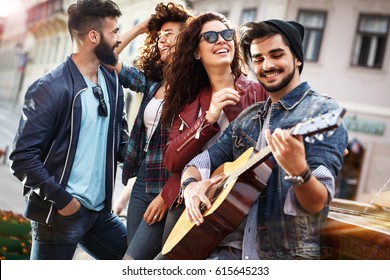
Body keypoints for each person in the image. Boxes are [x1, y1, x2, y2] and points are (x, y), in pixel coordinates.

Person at [179, 19, 348, 259]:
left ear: (297, 58)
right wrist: (191, 187)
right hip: (221, 251)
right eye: (258, 59)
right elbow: (200, 162)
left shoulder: (322, 112)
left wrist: (300, 170)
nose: (266, 65)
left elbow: (316, 202)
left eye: (276, 55)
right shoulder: (249, 116)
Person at [8, 0, 128, 260]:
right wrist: (65, 202)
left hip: (100, 215)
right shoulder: (49, 88)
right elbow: (22, 159)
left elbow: (121, 142)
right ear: (94, 36)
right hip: (59, 215)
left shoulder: (112, 82)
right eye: (115, 31)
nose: (119, 39)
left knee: (135, 258)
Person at [157, 11, 268, 256]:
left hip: (241, 207)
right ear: (196, 52)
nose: (220, 40)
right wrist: (208, 119)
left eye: (227, 34)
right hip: (193, 202)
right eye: (210, 36)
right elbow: (172, 160)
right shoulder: (188, 101)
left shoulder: (258, 93)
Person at [110, 2, 193, 260]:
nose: (161, 40)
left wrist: (167, 194)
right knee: (133, 258)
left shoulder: (194, 89)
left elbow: (196, 148)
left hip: (169, 184)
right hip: (142, 179)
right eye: (159, 36)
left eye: (169, 33)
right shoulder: (151, 84)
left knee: (132, 261)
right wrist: (141, 28)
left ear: (187, 39)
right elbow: (106, 57)